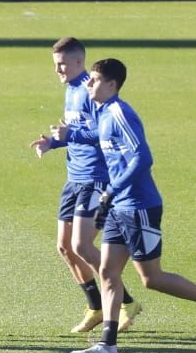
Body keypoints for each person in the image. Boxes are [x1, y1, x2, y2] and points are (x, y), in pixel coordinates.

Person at [37, 59, 196, 353]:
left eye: (93, 80)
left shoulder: (120, 113)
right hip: (119, 206)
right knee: (107, 271)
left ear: (111, 85)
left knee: (151, 278)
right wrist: (62, 140)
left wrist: (110, 190)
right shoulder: (104, 114)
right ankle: (108, 345)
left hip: (139, 206)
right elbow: (97, 137)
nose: (88, 84)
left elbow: (143, 158)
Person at [30, 37, 140, 335]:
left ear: (79, 62)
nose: (57, 70)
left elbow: (99, 132)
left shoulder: (90, 91)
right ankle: (95, 306)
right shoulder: (70, 90)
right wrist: (52, 142)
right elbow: (74, 132)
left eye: (62, 64)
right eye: (55, 65)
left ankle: (124, 301)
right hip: (73, 177)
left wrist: (71, 134)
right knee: (64, 247)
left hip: (94, 177)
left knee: (81, 244)